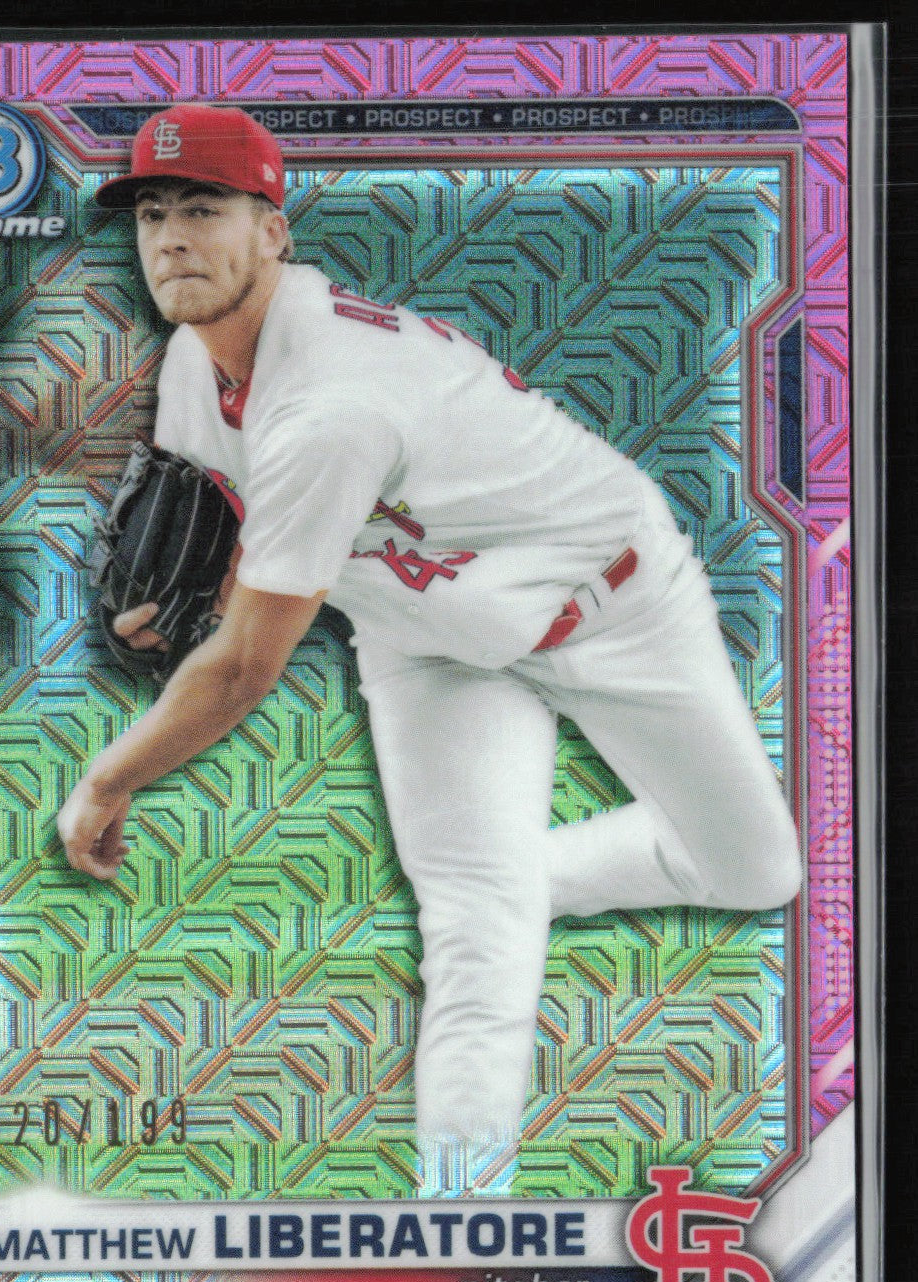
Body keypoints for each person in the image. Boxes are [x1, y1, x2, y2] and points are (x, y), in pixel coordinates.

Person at [57, 104, 802, 1161]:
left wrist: (107, 779)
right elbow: (231, 544)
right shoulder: (193, 361)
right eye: (152, 214)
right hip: (420, 629)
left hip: (611, 602)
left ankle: (511, 882)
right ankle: (459, 1201)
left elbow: (242, 672)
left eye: (203, 209)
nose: (171, 238)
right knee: (475, 934)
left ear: (272, 231)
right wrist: (173, 613)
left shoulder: (331, 401)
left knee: (756, 871)